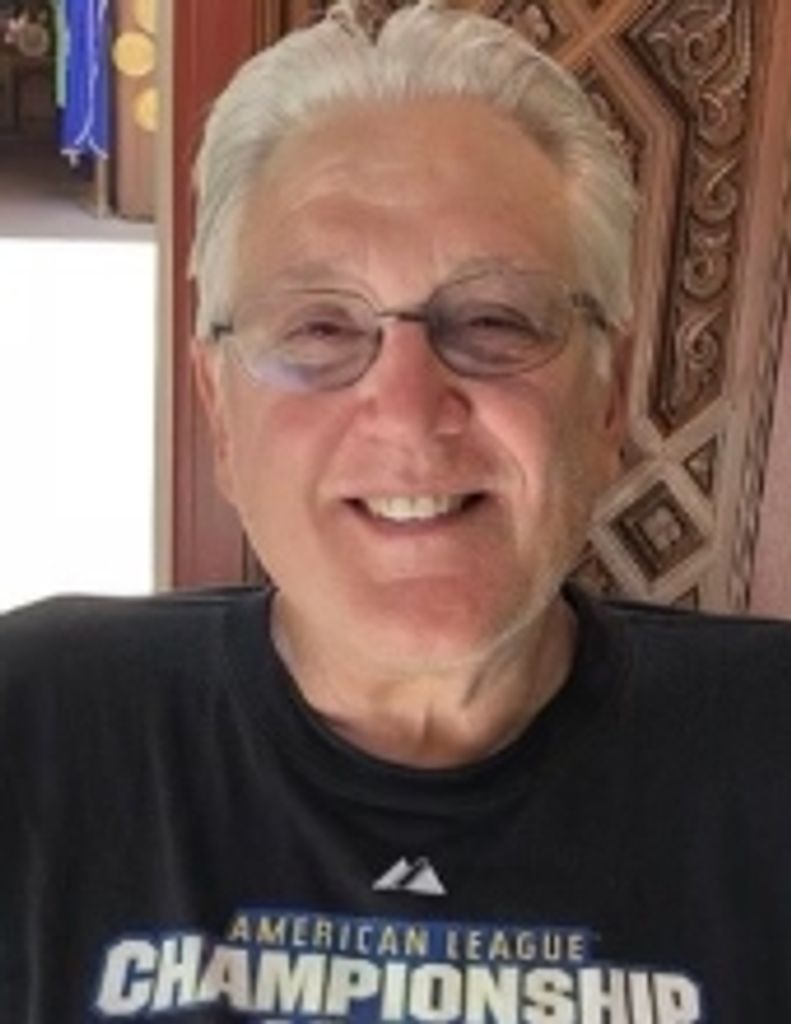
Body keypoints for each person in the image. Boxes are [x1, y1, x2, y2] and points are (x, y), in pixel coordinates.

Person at [1, 2, 790, 1021]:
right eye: (321, 328)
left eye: (495, 318)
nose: (409, 410)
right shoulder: (35, 731)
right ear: (220, 413)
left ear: (605, 399)